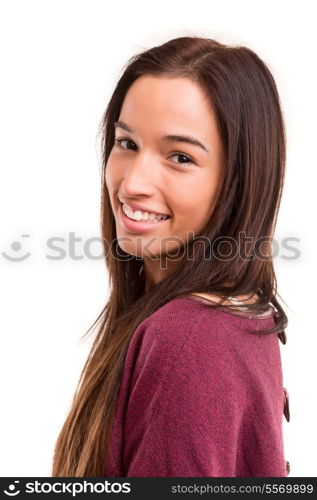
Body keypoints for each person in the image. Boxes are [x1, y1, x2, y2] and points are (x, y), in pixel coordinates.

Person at [52, 35, 290, 477]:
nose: (134, 183)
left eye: (179, 157)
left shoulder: (188, 338)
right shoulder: (231, 316)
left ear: (238, 184)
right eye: (127, 144)